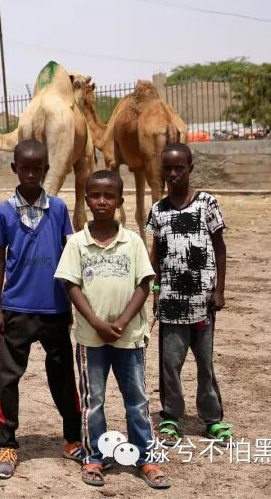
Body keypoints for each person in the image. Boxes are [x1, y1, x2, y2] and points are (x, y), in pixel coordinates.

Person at [54, 170, 171, 489]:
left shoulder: (132, 241)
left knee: (137, 400)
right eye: (95, 195)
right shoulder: (77, 243)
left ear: (120, 201)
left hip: (128, 337)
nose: (102, 201)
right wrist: (96, 322)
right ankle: (95, 457)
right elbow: (71, 285)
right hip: (90, 339)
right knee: (93, 401)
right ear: (86, 199)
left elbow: (144, 284)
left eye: (109, 196)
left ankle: (146, 457)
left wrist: (121, 322)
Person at [0, 139, 83, 479]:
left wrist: (70, 302)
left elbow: (68, 255)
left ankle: (73, 438)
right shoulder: (3, 211)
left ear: (46, 169)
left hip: (54, 308)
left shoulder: (58, 209)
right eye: (24, 168)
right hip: (16, 308)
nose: (30, 173)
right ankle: (7, 444)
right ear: (15, 169)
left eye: (37, 168)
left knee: (63, 376)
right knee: (8, 378)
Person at [146, 142, 232, 446]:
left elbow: (219, 248)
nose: (173, 174)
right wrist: (156, 291)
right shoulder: (158, 210)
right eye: (167, 168)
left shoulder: (206, 203)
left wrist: (219, 289)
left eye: (179, 168)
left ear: (190, 169)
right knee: (170, 364)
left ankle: (212, 419)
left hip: (202, 303)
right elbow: (156, 255)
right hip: (171, 304)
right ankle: (171, 417)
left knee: (205, 364)